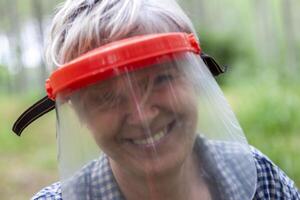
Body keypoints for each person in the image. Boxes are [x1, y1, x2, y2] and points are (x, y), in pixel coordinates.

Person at [12, 0, 299, 199]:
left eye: (161, 79)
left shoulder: (262, 181)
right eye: (106, 96)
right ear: (78, 110)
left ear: (195, 76)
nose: (142, 116)